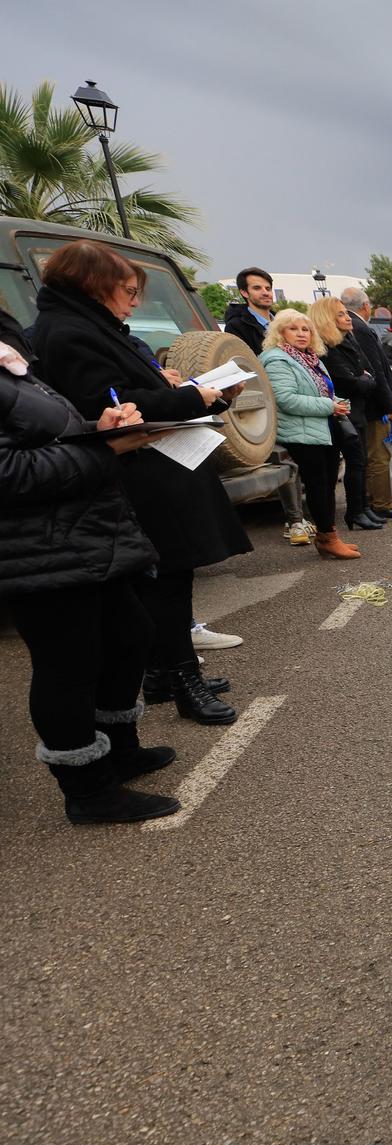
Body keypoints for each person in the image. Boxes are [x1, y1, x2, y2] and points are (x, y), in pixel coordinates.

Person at [30, 240, 248, 725]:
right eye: (128, 289)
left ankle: (163, 674)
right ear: (94, 284)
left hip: (155, 466)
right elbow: (110, 404)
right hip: (138, 472)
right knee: (164, 583)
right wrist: (195, 398)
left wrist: (173, 384)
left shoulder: (90, 326)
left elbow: (127, 388)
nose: (134, 300)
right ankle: (183, 680)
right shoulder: (68, 332)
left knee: (170, 579)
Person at [1, 308, 181, 824]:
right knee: (68, 665)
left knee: (129, 635)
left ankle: (120, 752)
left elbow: (42, 435)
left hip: (77, 533)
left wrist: (96, 427)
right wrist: (105, 449)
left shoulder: (10, 355)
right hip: (32, 546)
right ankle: (88, 790)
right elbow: (8, 471)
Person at [259, 310, 360, 560]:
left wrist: (338, 402)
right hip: (301, 433)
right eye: (293, 329)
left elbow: (322, 391)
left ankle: (328, 536)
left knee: (326, 485)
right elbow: (286, 400)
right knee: (317, 486)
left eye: (305, 329)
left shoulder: (309, 357)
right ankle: (327, 537)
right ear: (280, 332)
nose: (301, 334)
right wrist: (329, 406)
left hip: (320, 428)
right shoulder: (277, 359)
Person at [309, 297, 385, 530]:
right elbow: (349, 381)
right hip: (342, 413)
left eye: (346, 313)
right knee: (352, 463)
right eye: (341, 315)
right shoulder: (328, 348)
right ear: (328, 319)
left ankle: (362, 508)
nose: (347, 318)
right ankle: (354, 511)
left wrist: (363, 378)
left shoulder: (348, 340)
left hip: (356, 411)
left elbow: (368, 372)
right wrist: (362, 379)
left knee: (359, 462)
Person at [339, 288, 392, 518]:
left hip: (367, 404)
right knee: (379, 457)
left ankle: (370, 504)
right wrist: (390, 405)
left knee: (370, 457)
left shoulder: (356, 328)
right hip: (374, 407)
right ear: (366, 306)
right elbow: (376, 370)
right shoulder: (361, 329)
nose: (345, 318)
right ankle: (381, 505)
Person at [221, 266, 275, 351]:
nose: (265, 293)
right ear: (244, 293)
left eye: (268, 289)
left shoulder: (285, 321)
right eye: (257, 288)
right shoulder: (236, 327)